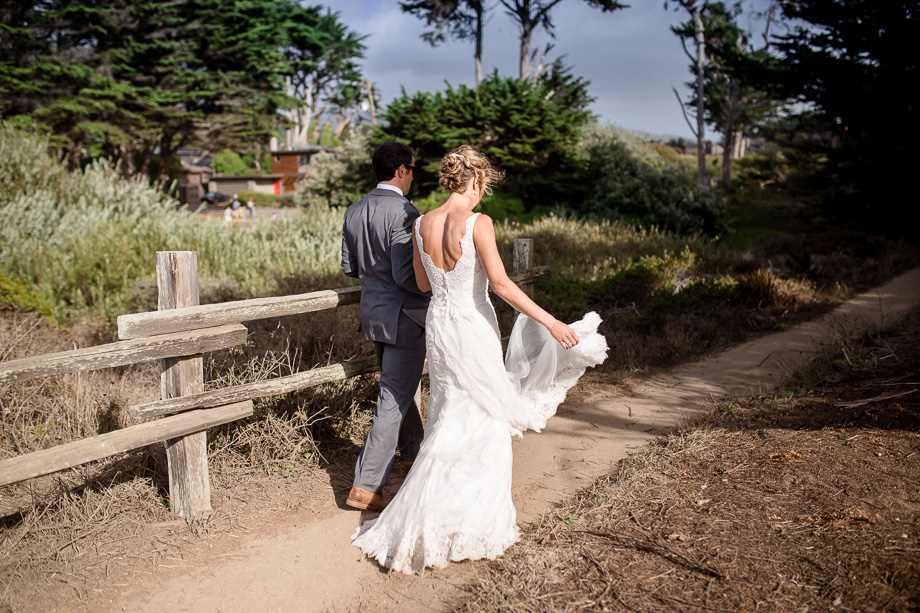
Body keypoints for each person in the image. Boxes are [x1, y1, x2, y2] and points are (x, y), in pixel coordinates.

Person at [351, 145, 608, 574]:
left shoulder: (420, 223)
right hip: (472, 324)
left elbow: (419, 281)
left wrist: (445, 282)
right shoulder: (478, 223)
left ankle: (432, 511)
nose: (483, 193)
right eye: (484, 185)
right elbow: (502, 284)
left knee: (448, 411)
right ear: (476, 181)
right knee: (485, 415)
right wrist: (551, 323)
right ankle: (471, 517)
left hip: (440, 324)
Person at [341, 140, 430, 512]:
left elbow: (350, 268)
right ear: (401, 170)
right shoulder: (407, 214)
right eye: (412, 170)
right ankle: (366, 485)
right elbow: (407, 276)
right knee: (392, 398)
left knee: (400, 390)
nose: (413, 177)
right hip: (406, 319)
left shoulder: (353, 210)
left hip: (374, 315)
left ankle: (414, 456)